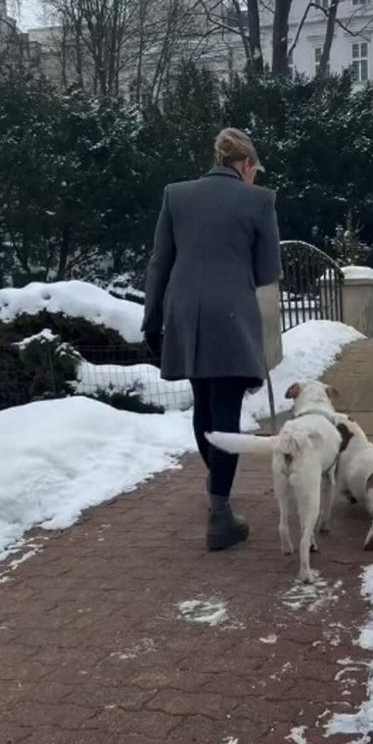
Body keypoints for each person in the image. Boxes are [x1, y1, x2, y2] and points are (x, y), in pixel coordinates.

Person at [143, 127, 281, 551]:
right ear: (244, 164)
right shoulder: (260, 200)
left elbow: (159, 262)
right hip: (232, 316)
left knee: (203, 404)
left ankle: (216, 485)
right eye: (254, 169)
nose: (254, 176)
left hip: (184, 312)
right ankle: (220, 514)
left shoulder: (175, 194)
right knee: (226, 413)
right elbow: (266, 271)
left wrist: (152, 319)